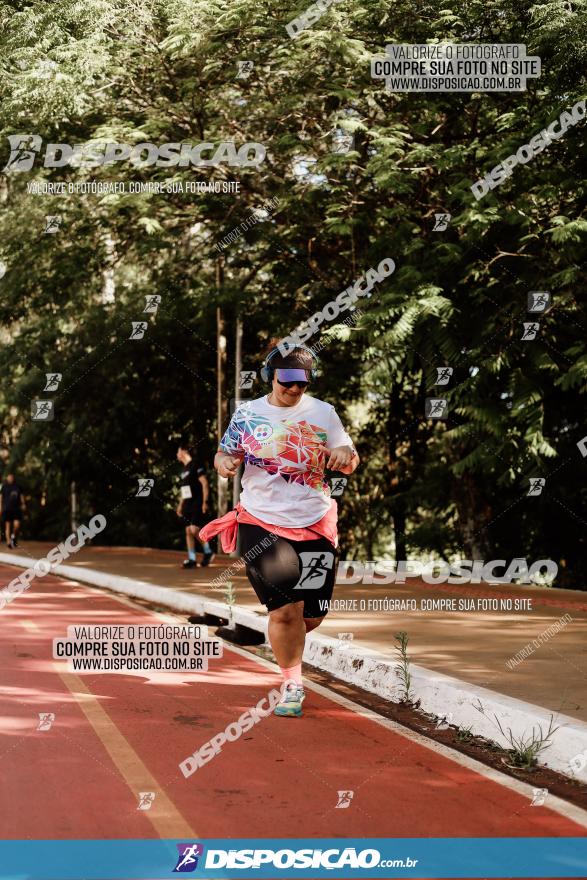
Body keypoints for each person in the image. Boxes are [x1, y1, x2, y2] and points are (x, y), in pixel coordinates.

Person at [200, 344, 359, 717]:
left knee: (312, 615)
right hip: (261, 521)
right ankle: (292, 685)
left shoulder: (323, 413)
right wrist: (224, 461)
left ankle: (287, 640)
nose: (294, 390)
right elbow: (223, 453)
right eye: (287, 381)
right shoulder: (248, 414)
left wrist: (344, 457)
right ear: (270, 376)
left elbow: (350, 459)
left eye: (302, 383)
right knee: (285, 611)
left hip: (316, 521)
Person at [175, 441, 214, 568]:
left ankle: (208, 552)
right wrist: (180, 505)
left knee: (194, 529)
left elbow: (204, 483)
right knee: (188, 531)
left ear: (184, 451)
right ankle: (192, 559)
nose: (177, 454)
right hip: (187, 504)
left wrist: (205, 501)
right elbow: (184, 490)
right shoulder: (183, 470)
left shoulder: (196, 464)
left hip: (197, 502)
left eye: (178, 451)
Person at [1, 473, 26, 548]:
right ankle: (9, 542)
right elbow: (1, 497)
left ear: (13, 478)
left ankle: (13, 536)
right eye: (9, 477)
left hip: (16, 509)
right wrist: (0, 507)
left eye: (11, 477)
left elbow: (21, 496)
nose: (10, 478)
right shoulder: (4, 487)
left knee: (17, 525)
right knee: (7, 526)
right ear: (7, 478)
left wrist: (23, 504)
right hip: (7, 509)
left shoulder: (17, 487)